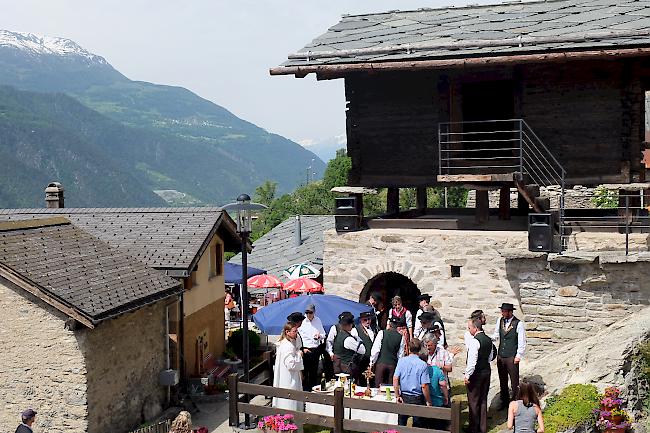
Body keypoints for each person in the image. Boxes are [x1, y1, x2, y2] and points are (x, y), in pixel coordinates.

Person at [492, 303, 527, 410]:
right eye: (502, 311)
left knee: (514, 381)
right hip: (501, 355)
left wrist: (518, 355)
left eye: (504, 311)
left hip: (512, 356)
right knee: (502, 380)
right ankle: (504, 401)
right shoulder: (500, 321)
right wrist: (488, 339)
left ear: (510, 312)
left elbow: (522, 341)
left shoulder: (518, 324)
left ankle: (515, 401)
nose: (503, 313)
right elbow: (496, 335)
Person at [465, 318, 496, 433]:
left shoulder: (475, 341)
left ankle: (473, 428)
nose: (469, 330)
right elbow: (491, 357)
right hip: (486, 371)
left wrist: (467, 376)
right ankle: (482, 428)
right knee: (483, 399)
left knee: (473, 401)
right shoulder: (488, 340)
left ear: (475, 328)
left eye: (470, 328)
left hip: (476, 374)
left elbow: (472, 362)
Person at [393, 338, 432, 428]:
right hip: (417, 397)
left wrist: (397, 395)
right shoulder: (422, 364)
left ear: (409, 349)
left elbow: (395, 378)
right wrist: (428, 401)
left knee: (401, 424)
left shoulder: (401, 361)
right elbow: (424, 385)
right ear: (419, 349)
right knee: (418, 426)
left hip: (404, 395)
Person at [272, 322, 304, 411]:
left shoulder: (283, 343)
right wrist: (299, 355)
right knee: (290, 401)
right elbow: (291, 365)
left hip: (285, 376)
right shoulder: (288, 346)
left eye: (297, 331)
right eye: (294, 331)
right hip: (289, 377)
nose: (296, 333)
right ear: (287, 332)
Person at [370, 316, 406, 385]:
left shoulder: (382, 333)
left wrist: (372, 363)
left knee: (378, 386)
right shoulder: (401, 337)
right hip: (393, 365)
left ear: (389, 324)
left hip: (381, 364)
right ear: (397, 326)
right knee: (390, 388)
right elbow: (401, 355)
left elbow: (376, 350)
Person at [330, 313, 365, 381]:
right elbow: (362, 350)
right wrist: (357, 338)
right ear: (350, 324)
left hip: (338, 366)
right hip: (347, 368)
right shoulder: (348, 339)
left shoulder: (339, 335)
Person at [299, 304, 326, 391]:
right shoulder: (302, 321)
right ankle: (305, 391)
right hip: (305, 348)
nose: (308, 314)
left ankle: (313, 390)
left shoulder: (318, 320)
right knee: (305, 372)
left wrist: (319, 336)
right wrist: (302, 348)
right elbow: (298, 336)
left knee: (314, 372)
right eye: (307, 312)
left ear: (314, 312)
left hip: (315, 348)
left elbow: (323, 334)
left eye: (310, 312)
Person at [422, 334, 453, 405]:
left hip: (441, 388)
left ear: (435, 344)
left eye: (429, 345)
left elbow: (450, 368)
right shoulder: (423, 353)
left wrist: (442, 367)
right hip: (428, 387)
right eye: (426, 345)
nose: (427, 348)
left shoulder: (443, 352)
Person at [352, 310, 376, 386]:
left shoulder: (375, 329)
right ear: (360, 320)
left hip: (372, 360)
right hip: (361, 360)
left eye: (369, 319)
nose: (367, 321)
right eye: (365, 320)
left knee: (371, 380)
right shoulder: (355, 330)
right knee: (362, 381)